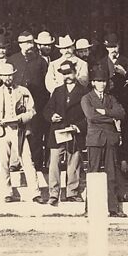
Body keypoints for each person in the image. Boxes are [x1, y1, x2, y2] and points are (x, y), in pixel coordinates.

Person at [0, 61, 36, 202]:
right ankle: (7, 192)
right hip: (2, 131)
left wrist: (21, 118)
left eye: (10, 75)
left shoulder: (23, 91)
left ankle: (35, 192)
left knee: (27, 160)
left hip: (19, 130)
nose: (8, 78)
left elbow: (32, 110)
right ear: (0, 76)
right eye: (5, 76)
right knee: (3, 162)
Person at [38, 60, 87, 206]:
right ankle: (54, 194)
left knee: (74, 162)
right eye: (64, 74)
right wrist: (52, 116)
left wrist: (78, 127)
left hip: (74, 131)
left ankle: (72, 192)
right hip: (58, 132)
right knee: (54, 163)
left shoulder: (84, 91)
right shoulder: (58, 91)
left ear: (75, 72)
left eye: (69, 73)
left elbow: (89, 115)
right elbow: (46, 110)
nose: (67, 76)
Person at [82, 65, 126, 216]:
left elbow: (121, 113)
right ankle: (90, 208)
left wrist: (105, 111)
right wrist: (110, 118)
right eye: (98, 81)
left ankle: (113, 208)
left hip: (110, 139)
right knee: (93, 172)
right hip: (95, 139)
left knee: (111, 173)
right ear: (93, 82)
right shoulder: (86, 98)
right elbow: (91, 116)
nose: (102, 84)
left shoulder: (110, 98)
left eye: (104, 81)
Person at [9, 31, 50, 178]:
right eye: (24, 42)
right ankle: (15, 163)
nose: (28, 45)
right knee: (16, 132)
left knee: (36, 133)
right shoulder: (13, 59)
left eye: (30, 42)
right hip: (17, 103)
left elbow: (46, 83)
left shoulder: (40, 61)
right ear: (19, 44)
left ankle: (37, 163)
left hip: (37, 102)